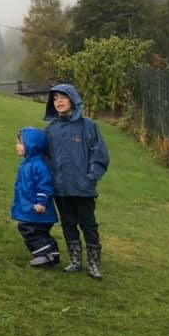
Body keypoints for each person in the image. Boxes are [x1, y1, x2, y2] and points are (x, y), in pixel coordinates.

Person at [44, 83, 110, 280]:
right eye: (55, 98)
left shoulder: (88, 126)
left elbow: (100, 155)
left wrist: (90, 178)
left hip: (83, 188)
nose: (59, 102)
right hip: (61, 188)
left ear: (73, 99)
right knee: (68, 224)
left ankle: (93, 264)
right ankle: (75, 260)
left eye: (63, 97)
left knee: (88, 225)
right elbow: (45, 158)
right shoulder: (51, 130)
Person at [11, 127, 60, 267]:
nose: (17, 146)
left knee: (29, 229)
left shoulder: (38, 166)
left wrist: (41, 203)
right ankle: (52, 254)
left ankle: (43, 254)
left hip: (36, 209)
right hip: (30, 208)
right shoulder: (28, 164)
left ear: (31, 145)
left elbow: (45, 186)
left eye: (20, 143)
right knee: (40, 232)